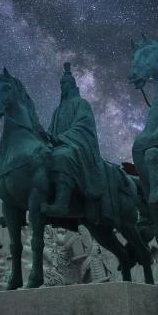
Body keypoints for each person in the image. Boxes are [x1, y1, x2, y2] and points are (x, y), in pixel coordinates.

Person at [42, 62, 105, 216]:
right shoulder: (57, 111)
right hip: (58, 144)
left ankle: (61, 203)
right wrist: (47, 137)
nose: (61, 87)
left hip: (76, 146)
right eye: (60, 84)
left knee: (63, 156)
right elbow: (51, 129)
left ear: (72, 85)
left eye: (64, 84)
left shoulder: (82, 104)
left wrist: (61, 138)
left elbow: (83, 126)